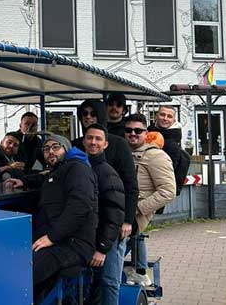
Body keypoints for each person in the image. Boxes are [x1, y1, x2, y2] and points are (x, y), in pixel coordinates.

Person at [5, 134, 98, 301]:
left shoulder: (78, 168)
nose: (50, 152)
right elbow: (46, 178)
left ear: (66, 149)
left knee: (20, 273)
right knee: (14, 262)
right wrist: (24, 181)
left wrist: (52, 237)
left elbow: (80, 207)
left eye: (56, 147)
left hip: (72, 243)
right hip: (59, 240)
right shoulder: (61, 168)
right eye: (46, 149)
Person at [71, 101, 135, 305]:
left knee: (109, 280)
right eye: (84, 114)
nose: (88, 117)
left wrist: (127, 220)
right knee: (89, 280)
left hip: (111, 226)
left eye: (93, 114)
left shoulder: (116, 149)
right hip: (86, 228)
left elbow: (129, 185)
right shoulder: (76, 150)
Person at [123, 113, 176, 286]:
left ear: (146, 133)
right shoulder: (121, 152)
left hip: (135, 216)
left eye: (138, 130)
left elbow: (168, 191)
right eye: (129, 130)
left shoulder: (156, 156)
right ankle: (137, 271)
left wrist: (137, 208)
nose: (133, 133)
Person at [81, 124, 125, 305]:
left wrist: (102, 248)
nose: (93, 142)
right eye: (90, 138)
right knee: (93, 285)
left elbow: (115, 213)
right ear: (83, 141)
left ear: (105, 144)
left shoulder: (107, 172)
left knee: (109, 283)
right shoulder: (79, 167)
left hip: (107, 240)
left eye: (98, 139)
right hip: (89, 236)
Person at [149, 106, 191, 198]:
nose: (165, 118)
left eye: (169, 116)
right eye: (162, 115)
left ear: (174, 120)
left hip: (157, 189)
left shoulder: (173, 144)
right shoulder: (147, 132)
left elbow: (168, 171)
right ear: (156, 116)